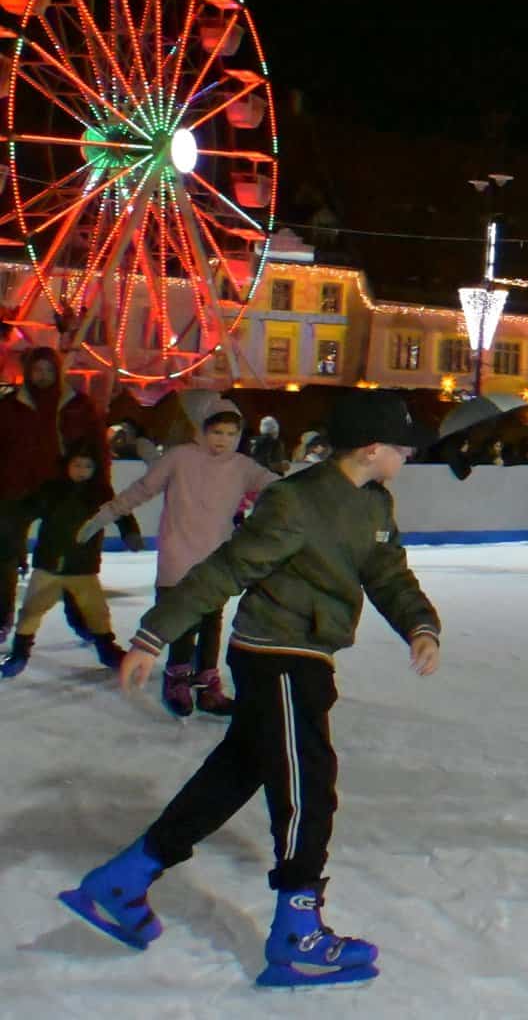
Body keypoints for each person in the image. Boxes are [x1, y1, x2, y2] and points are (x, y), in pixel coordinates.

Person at [59, 389, 444, 988]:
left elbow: (387, 572)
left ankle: (123, 880)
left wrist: (420, 626)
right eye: (401, 448)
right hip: (277, 656)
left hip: (307, 654)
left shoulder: (374, 504)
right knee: (307, 784)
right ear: (371, 449)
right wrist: (154, 635)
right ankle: (297, 933)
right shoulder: (294, 501)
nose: (406, 457)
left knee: (234, 774)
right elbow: (224, 567)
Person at [84, 400, 279, 718]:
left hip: (216, 559)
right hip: (178, 554)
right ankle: (177, 679)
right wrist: (105, 515)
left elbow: (280, 488)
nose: (223, 440)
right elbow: (142, 489)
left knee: (212, 623)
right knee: (181, 622)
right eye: (217, 431)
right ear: (203, 430)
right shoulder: (179, 458)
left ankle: (206, 685)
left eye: (231, 433)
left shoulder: (243, 467)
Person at [0, 346, 131, 641]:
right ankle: (2, 615)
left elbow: (97, 447)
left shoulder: (78, 405)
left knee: (74, 556)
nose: (42, 376)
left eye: (48, 370)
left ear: (58, 372)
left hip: (66, 491)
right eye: (37, 370)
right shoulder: (10, 407)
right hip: (17, 489)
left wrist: (99, 487)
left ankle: (84, 622)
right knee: (4, 552)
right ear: (28, 373)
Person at [1, 443, 126, 677]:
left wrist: (130, 532)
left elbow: (120, 512)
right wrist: (11, 524)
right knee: (31, 611)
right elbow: (24, 511)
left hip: (83, 568)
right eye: (76, 465)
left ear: (95, 469)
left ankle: (106, 647)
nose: (81, 470)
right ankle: (20, 652)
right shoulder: (52, 490)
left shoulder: (100, 493)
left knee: (96, 611)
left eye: (87, 466)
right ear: (67, 466)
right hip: (49, 566)